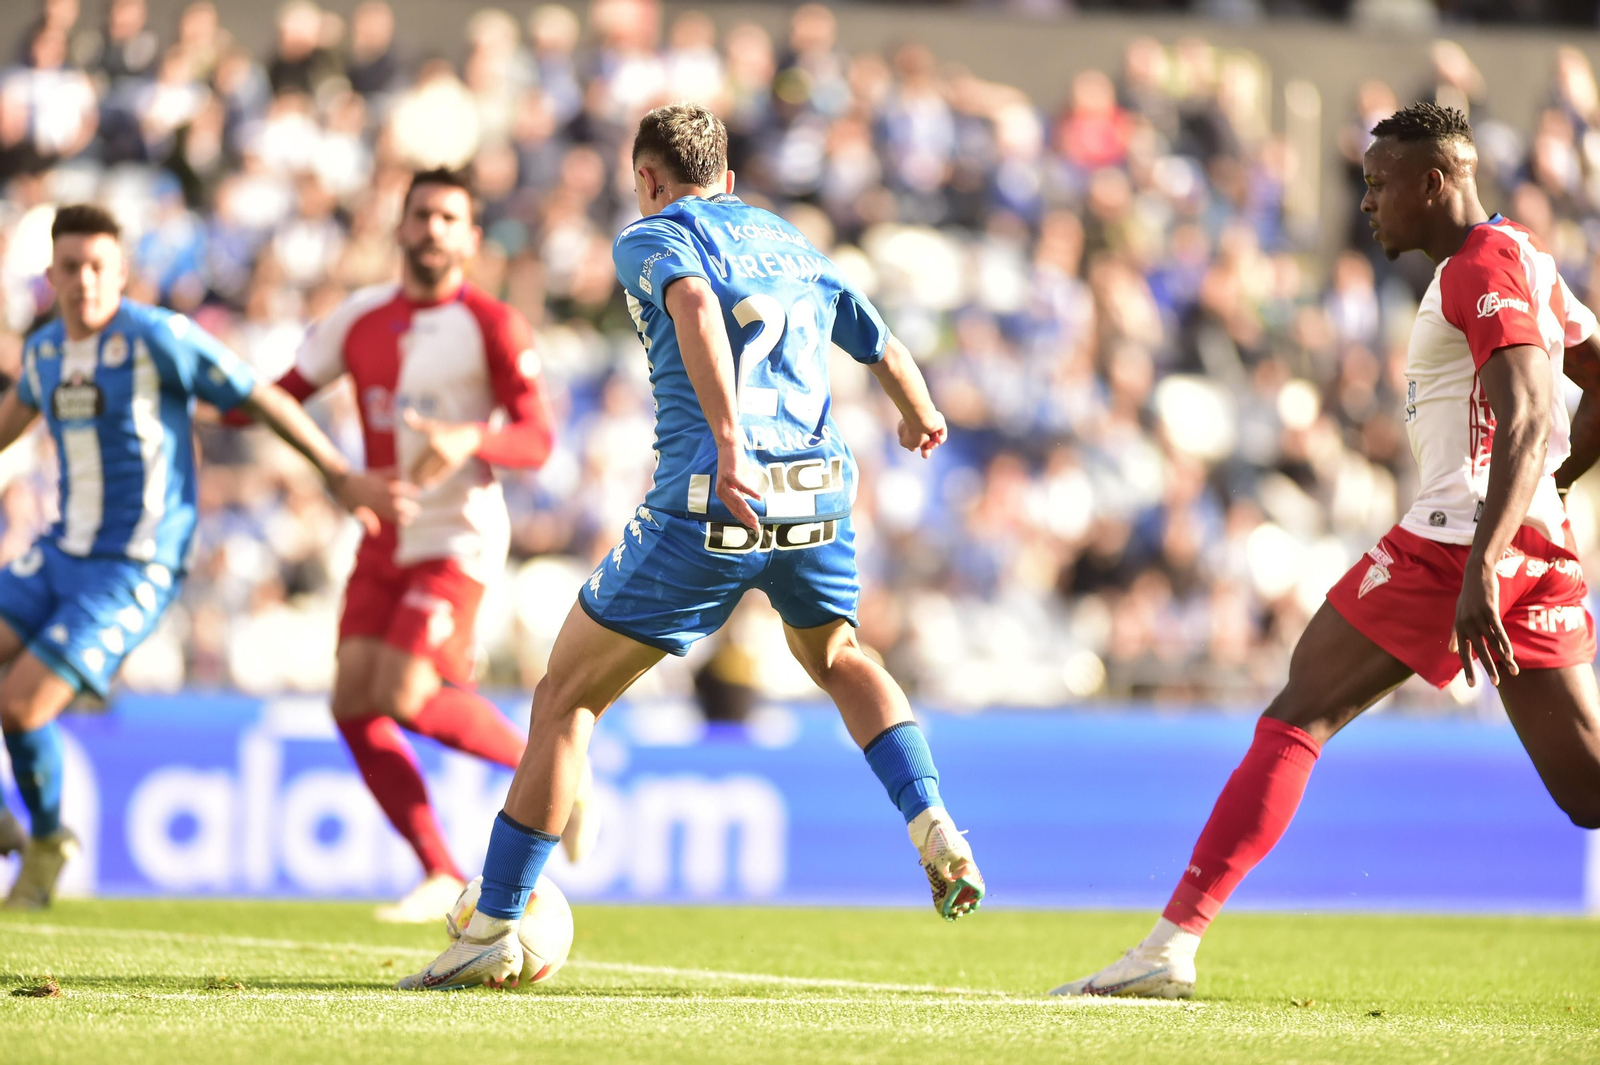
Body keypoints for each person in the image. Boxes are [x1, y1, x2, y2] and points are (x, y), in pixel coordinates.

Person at [400, 102, 985, 990]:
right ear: (732, 178)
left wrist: (728, 440)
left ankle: (492, 919)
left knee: (565, 696)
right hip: (819, 491)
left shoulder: (653, 235)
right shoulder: (788, 238)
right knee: (838, 653)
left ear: (647, 177)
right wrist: (921, 411)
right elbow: (880, 339)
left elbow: (696, 305)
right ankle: (934, 820)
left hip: (718, 495)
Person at [1053, 102, 1600, 999]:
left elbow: (1535, 408)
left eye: (1381, 184)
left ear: (1436, 180)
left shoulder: (1481, 266)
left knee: (1301, 708)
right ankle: (1168, 947)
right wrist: (1550, 495)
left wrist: (1482, 560)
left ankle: (1169, 946)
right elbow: (1596, 377)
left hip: (1458, 542)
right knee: (1588, 793)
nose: (1368, 203)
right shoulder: (1526, 255)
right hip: (1526, 540)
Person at [0, 203, 407, 908]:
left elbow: (263, 397)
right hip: (59, 551)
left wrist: (338, 473)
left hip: (133, 567)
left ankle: (44, 839)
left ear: (122, 272)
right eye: (71, 267)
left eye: (99, 266)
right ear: (51, 275)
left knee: (20, 706)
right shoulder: (43, 354)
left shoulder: (160, 339)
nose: (85, 281)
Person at [230, 168, 580, 923]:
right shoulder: (357, 319)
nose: (432, 228)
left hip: (458, 533)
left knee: (401, 692)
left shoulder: (491, 323)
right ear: (400, 226)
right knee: (353, 700)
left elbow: (539, 436)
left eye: (449, 217)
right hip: (384, 529)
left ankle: (555, 774)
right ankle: (435, 869)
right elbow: (278, 393)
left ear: (472, 237)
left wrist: (470, 436)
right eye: (421, 214)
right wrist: (206, 381)